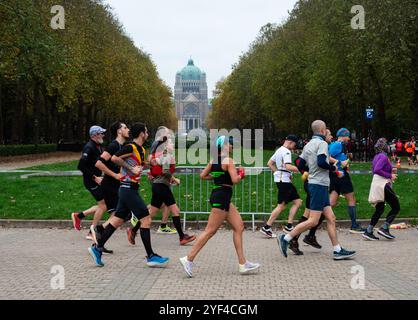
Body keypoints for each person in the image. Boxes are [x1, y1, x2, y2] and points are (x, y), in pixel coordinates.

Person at [88, 123, 169, 268]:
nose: (148, 134)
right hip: (127, 188)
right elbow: (114, 158)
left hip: (129, 189)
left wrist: (151, 163)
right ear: (141, 134)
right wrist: (131, 168)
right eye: (146, 131)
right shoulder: (130, 147)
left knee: (117, 220)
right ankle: (150, 256)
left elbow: (141, 165)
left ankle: (97, 248)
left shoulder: (141, 149)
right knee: (146, 219)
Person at [179, 136, 260, 277]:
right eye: (230, 144)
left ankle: (243, 263)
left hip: (221, 195)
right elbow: (235, 180)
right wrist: (242, 174)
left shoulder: (213, 160)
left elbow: (203, 176)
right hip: (222, 197)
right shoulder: (228, 160)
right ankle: (188, 259)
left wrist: (217, 177)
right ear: (224, 145)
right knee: (210, 231)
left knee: (239, 226)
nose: (232, 146)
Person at [277, 120, 356, 260]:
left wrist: (308, 172)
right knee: (313, 220)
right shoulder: (322, 144)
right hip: (318, 185)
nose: (327, 133)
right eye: (326, 130)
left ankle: (337, 250)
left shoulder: (308, 145)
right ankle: (286, 237)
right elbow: (321, 162)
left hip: (318, 184)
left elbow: (299, 163)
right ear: (322, 130)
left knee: (331, 218)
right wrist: (334, 169)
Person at [127, 127, 195, 246]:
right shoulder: (165, 154)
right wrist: (172, 178)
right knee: (175, 210)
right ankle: (182, 237)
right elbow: (163, 170)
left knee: (151, 213)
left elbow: (160, 169)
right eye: (170, 142)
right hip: (161, 186)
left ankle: (133, 230)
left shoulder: (165, 154)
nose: (172, 144)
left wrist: (169, 177)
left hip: (160, 185)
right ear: (165, 145)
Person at [260, 135, 302, 238]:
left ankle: (289, 226)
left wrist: (277, 172)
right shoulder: (287, 151)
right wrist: (302, 170)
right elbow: (287, 166)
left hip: (283, 179)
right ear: (291, 142)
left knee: (297, 202)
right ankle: (266, 227)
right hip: (284, 181)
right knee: (281, 205)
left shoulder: (279, 150)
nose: (294, 147)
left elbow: (270, 163)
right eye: (294, 145)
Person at [72, 125, 107, 240]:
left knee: (104, 205)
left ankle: (79, 216)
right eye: (101, 133)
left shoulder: (99, 146)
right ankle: (92, 232)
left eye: (102, 133)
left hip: (97, 180)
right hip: (91, 181)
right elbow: (80, 166)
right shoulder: (89, 147)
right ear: (94, 135)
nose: (103, 135)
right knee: (103, 205)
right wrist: (94, 177)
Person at [328, 128, 365, 233]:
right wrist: (341, 163)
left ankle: (315, 221)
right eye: (348, 136)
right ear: (343, 135)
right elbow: (328, 157)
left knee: (332, 202)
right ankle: (354, 225)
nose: (349, 138)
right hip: (341, 175)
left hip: (335, 175)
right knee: (351, 198)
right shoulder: (338, 144)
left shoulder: (338, 145)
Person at [363, 138, 400, 240]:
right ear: (384, 147)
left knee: (380, 209)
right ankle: (384, 228)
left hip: (377, 183)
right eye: (387, 145)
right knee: (396, 206)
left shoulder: (377, 156)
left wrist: (390, 170)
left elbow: (377, 168)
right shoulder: (383, 157)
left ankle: (369, 231)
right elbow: (377, 170)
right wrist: (390, 175)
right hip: (382, 184)